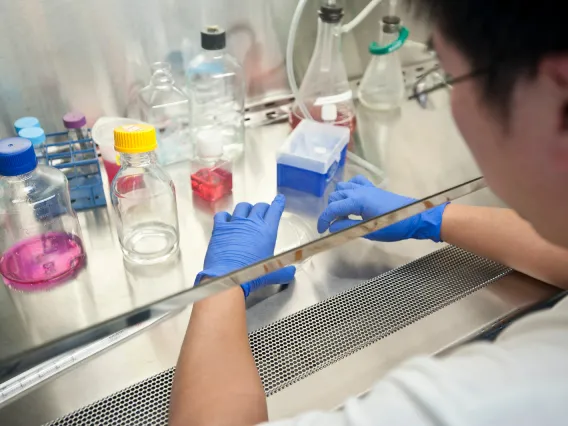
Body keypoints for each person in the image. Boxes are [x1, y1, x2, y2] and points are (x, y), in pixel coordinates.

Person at [170, 0, 568, 424]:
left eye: (450, 78)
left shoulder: (509, 395)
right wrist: (429, 217)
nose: (451, 102)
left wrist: (223, 284)